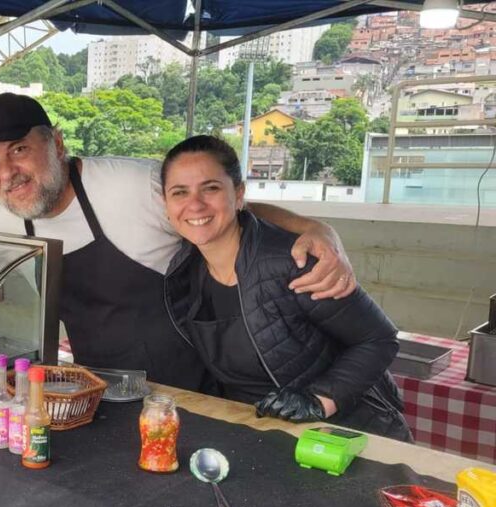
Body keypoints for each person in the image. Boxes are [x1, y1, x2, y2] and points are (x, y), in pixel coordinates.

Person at [0, 93, 357, 391]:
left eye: (19, 150)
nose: (8, 173)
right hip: (97, 392)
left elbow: (225, 209)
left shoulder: (132, 185)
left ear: (57, 144)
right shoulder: (4, 223)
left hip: (195, 388)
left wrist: (311, 227)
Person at [160, 135, 411, 439]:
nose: (195, 204)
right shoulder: (186, 272)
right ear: (165, 204)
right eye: (180, 192)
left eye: (210, 188)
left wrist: (318, 400)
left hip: (346, 432)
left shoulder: (292, 261)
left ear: (238, 195)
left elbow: (379, 338)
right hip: (259, 432)